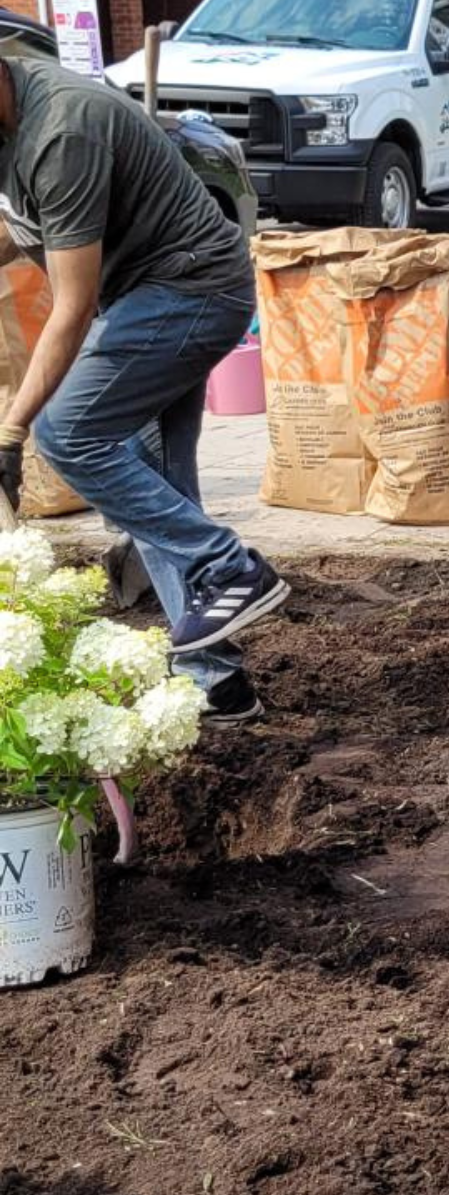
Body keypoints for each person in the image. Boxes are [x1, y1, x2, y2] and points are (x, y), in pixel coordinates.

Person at [0, 55, 289, 722]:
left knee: (67, 432)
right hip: (150, 297)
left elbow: (70, 308)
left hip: (189, 292)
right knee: (153, 487)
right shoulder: (14, 123)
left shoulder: (61, 129)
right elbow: (23, 230)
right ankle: (215, 680)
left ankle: (229, 564)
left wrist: (11, 433)